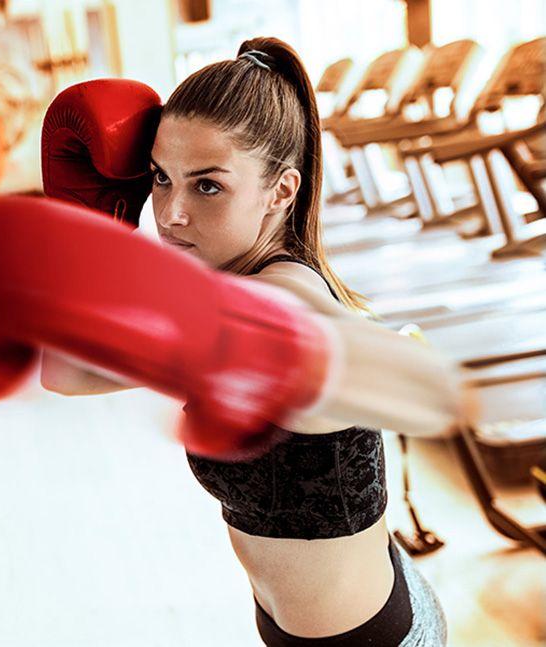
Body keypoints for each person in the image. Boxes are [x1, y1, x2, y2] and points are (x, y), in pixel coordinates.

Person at [40, 37, 449, 646]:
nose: (171, 212)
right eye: (160, 178)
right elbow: (68, 373)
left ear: (281, 191)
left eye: (207, 186)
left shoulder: (279, 293)